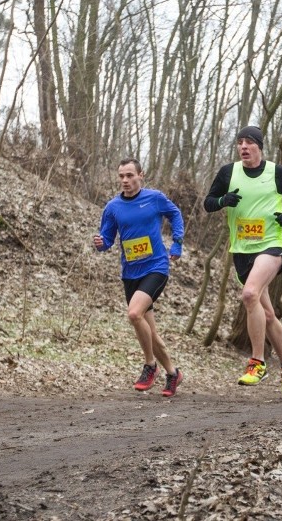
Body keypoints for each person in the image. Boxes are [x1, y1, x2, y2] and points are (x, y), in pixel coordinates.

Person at [204, 125, 282, 397]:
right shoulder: (228, 173)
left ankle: (257, 362)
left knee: (249, 294)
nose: (243, 147)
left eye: (249, 143)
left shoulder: (276, 173)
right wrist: (222, 200)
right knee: (268, 313)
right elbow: (207, 202)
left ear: (259, 147)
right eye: (240, 143)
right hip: (242, 250)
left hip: (271, 245)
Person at [93, 158, 185, 397]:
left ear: (140, 175)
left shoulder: (154, 198)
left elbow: (175, 214)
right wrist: (101, 243)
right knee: (150, 333)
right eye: (121, 176)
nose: (125, 180)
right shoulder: (113, 207)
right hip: (130, 273)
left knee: (134, 314)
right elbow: (107, 240)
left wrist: (177, 242)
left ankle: (149, 366)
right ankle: (173, 373)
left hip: (156, 267)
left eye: (130, 175)